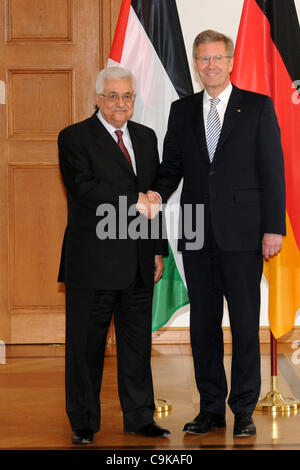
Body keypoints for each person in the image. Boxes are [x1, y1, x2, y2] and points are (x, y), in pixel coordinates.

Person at [147, 30, 286, 437]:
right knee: (202, 326)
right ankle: (210, 409)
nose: (210, 65)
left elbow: (272, 172)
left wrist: (273, 228)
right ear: (196, 64)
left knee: (244, 325)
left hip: (244, 235)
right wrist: (156, 191)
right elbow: (172, 165)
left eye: (217, 58)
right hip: (196, 233)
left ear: (230, 62)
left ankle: (243, 409)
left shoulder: (257, 107)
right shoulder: (182, 110)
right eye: (203, 59)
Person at [57, 66, 170, 444]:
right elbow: (85, 190)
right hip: (93, 262)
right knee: (85, 346)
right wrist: (133, 201)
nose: (121, 103)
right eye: (113, 96)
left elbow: (153, 197)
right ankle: (84, 422)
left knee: (137, 346)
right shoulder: (74, 138)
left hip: (139, 262)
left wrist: (157, 250)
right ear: (98, 99)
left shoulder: (146, 137)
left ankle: (140, 417)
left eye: (128, 96)